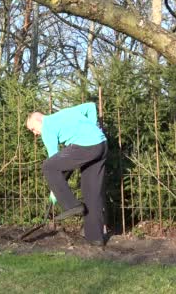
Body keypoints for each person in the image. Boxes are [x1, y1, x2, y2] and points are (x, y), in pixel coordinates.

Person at [26, 102, 108, 246]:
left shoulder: (47, 127)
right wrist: (94, 125)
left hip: (87, 146)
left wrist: (56, 191)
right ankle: (95, 238)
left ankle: (71, 205)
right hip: (101, 144)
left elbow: (54, 160)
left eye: (33, 129)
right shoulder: (65, 112)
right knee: (91, 192)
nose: (35, 133)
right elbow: (90, 106)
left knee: (48, 166)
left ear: (39, 120)